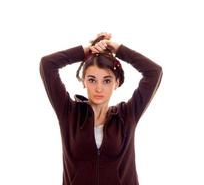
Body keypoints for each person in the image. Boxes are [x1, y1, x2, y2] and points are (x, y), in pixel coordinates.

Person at [39, 32, 163, 185]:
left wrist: (117, 49)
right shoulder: (69, 114)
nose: (99, 88)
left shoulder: (127, 115)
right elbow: (47, 64)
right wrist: (87, 50)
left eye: (106, 80)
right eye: (92, 80)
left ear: (116, 82)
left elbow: (154, 72)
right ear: (84, 81)